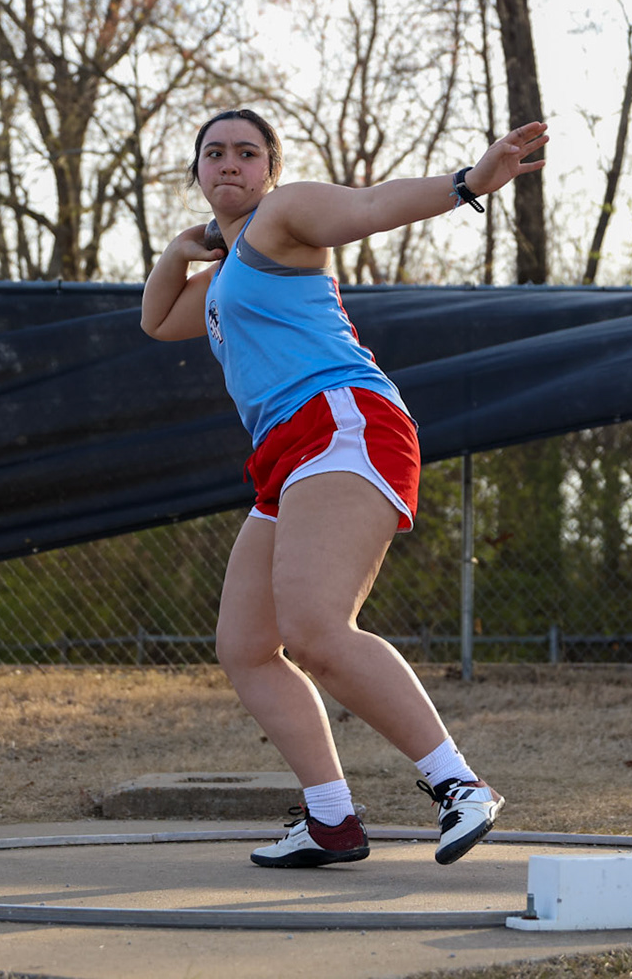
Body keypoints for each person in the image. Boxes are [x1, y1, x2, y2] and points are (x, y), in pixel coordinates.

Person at [140, 108, 548, 869]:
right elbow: (159, 321)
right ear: (197, 172)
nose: (230, 165)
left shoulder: (285, 216)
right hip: (283, 454)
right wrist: (178, 248)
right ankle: (332, 819)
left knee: (316, 627)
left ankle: (459, 785)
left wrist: (468, 183)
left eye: (247, 154)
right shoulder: (226, 275)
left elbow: (366, 206)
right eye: (214, 155)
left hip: (342, 420)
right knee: (247, 647)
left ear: (270, 167)